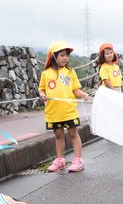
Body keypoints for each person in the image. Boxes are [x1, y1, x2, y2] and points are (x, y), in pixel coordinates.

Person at [39, 41, 90, 172]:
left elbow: (76, 90)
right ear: (53, 56)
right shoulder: (46, 73)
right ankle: (60, 160)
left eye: (67, 55)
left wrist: (82, 94)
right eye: (62, 55)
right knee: (58, 135)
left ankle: (78, 160)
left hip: (69, 111)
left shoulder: (70, 72)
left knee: (73, 133)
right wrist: (42, 95)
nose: (66, 57)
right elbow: (42, 89)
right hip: (53, 112)